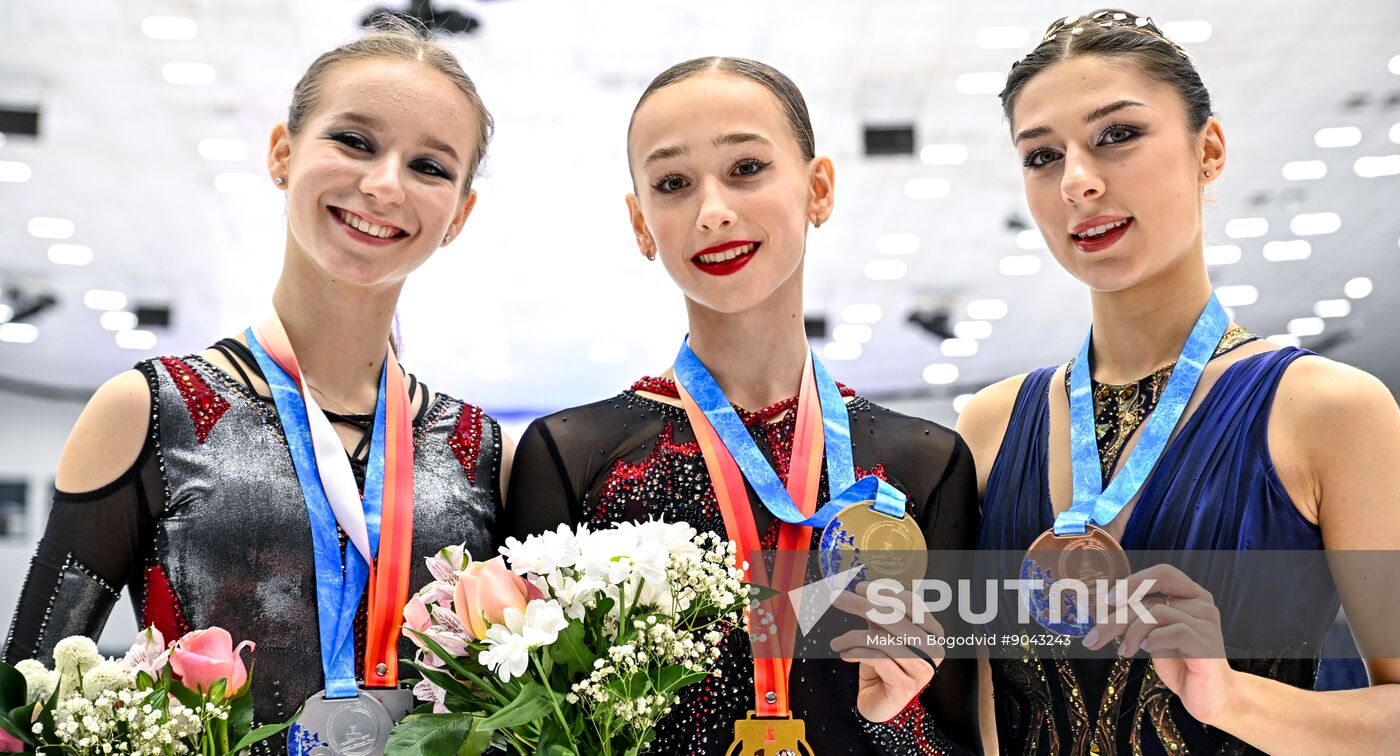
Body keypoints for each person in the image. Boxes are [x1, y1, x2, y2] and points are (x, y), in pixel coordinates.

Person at [4, 18, 510, 753]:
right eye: (354, 141)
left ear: (459, 214)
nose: (382, 184)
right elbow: (28, 698)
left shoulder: (478, 447)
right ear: (281, 153)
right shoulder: (153, 410)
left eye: (430, 166)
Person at [503, 57, 980, 755]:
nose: (713, 210)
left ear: (818, 189)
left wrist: (890, 715)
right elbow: (539, 733)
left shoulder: (925, 461)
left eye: (746, 168)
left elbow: (964, 724)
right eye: (673, 183)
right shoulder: (572, 455)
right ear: (641, 224)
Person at [957, 9, 1400, 754]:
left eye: (1118, 136)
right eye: (1042, 156)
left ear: (1210, 149)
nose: (1079, 182)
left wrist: (1233, 698)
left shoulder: (1329, 412)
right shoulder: (992, 427)